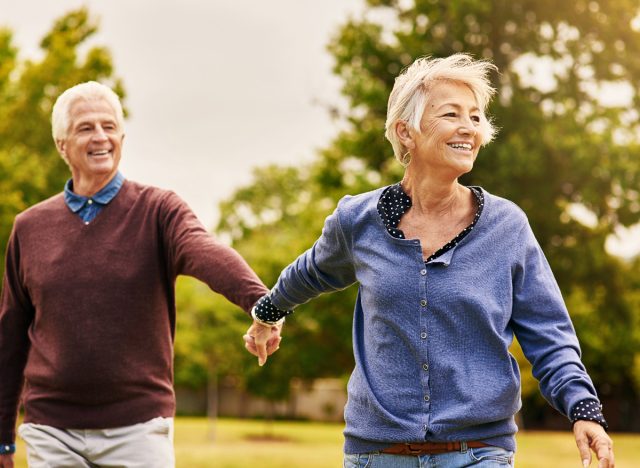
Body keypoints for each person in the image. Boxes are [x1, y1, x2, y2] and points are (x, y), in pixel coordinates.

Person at [244, 54, 614, 467]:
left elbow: (549, 332)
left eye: (475, 117)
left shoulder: (506, 227)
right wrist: (267, 314)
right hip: (377, 455)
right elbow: (310, 272)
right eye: (451, 114)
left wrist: (584, 410)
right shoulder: (358, 222)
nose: (468, 128)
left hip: (478, 453)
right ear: (407, 131)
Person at [0, 81, 281, 468]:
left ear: (122, 136)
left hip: (138, 430)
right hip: (52, 430)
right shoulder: (29, 227)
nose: (101, 137)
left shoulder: (158, 210)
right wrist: (3, 440)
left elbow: (206, 253)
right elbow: (11, 335)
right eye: (86, 127)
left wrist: (263, 305)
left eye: (109, 126)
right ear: (62, 144)